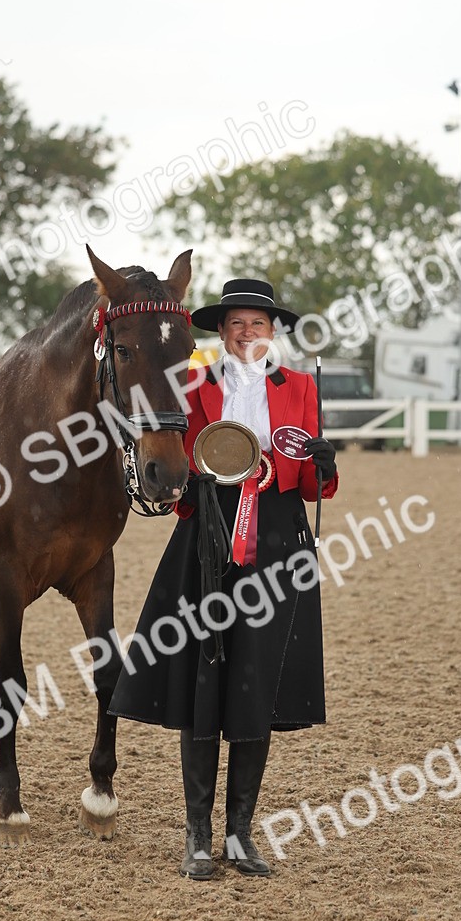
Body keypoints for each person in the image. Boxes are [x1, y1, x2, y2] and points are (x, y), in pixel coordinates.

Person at [109, 278, 339, 880]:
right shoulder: (194, 387)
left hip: (279, 543)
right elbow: (174, 470)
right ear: (220, 331)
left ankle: (241, 833)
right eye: (236, 323)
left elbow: (312, 488)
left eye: (257, 324)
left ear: (273, 332)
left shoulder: (303, 389)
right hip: (208, 537)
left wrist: (322, 466)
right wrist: (193, 487)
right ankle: (199, 836)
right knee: (203, 682)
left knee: (255, 684)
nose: (246, 333)